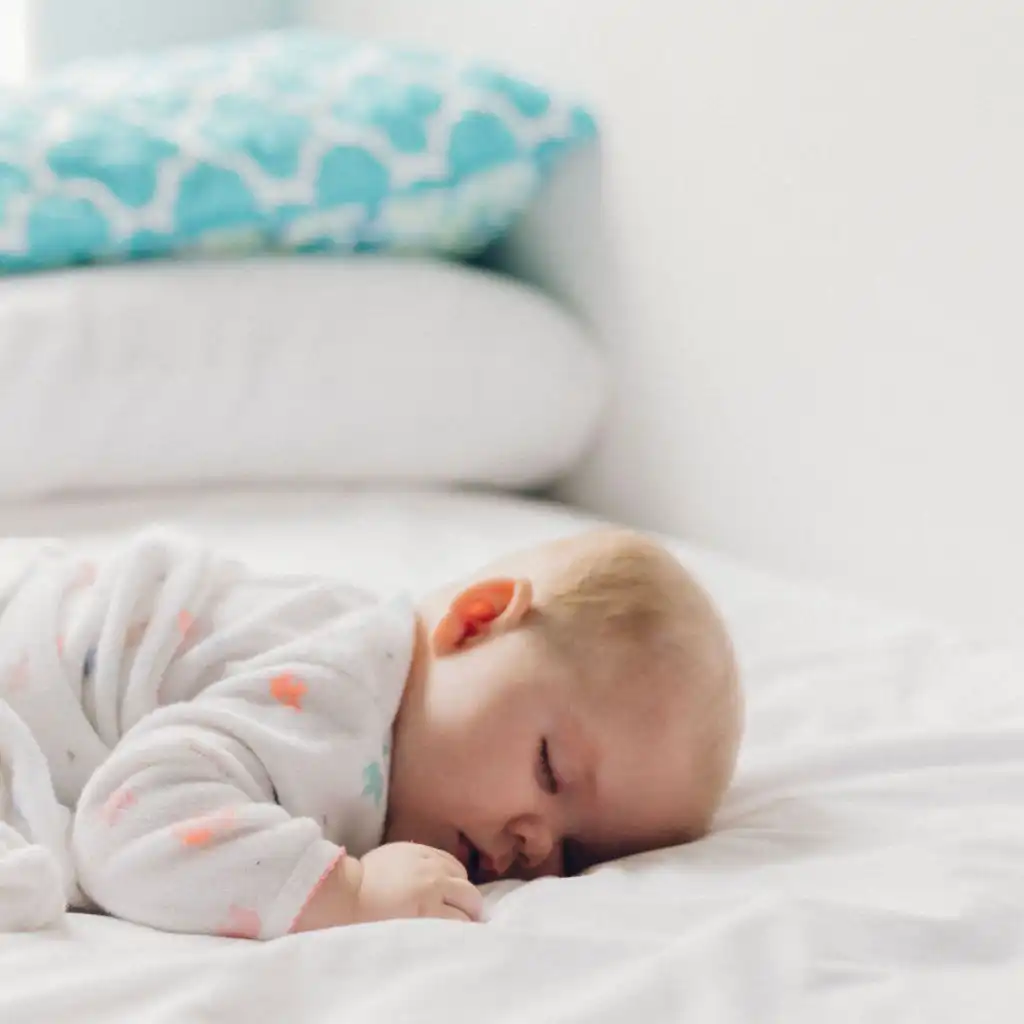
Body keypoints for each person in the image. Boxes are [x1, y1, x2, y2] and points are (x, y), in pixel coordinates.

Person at [0, 526, 742, 938]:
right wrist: (345, 893)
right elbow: (126, 830)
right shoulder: (341, 704)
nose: (536, 843)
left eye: (578, 852)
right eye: (549, 769)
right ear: (476, 622)